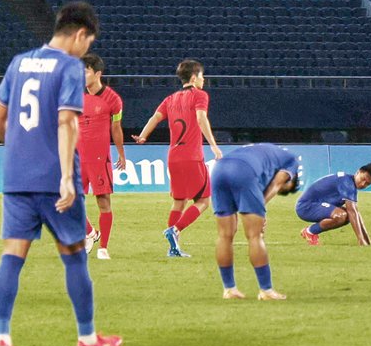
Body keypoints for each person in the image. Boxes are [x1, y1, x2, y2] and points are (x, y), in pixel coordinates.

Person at [0, 1, 122, 346]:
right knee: (75, 255)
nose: (86, 50)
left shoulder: (19, 62)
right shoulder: (69, 67)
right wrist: (65, 176)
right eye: (88, 43)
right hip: (54, 179)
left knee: (12, 256)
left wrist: (21, 150)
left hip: (17, 177)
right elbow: (66, 121)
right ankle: (88, 340)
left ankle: (2, 338)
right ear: (80, 34)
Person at [133, 59, 223, 258]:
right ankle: (175, 230)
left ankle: (173, 248)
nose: (204, 79)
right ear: (193, 78)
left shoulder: (171, 98)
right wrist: (214, 146)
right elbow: (201, 118)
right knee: (204, 201)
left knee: (179, 202)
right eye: (201, 75)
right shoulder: (200, 95)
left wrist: (143, 136)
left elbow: (154, 118)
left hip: (173, 157)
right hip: (192, 156)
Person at [210, 143, 300, 300]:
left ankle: (229, 289)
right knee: (254, 236)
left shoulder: (264, 150)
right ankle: (266, 290)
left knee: (224, 235)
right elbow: (276, 184)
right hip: (243, 171)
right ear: (291, 180)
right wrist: (259, 206)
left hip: (219, 169)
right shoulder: (291, 161)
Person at [79, 53, 127, 261]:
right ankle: (90, 232)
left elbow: (116, 128)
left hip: (99, 159)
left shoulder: (113, 100)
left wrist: (121, 153)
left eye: (86, 71)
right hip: (78, 158)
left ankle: (103, 248)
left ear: (97, 73)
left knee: (103, 201)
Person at [296, 164, 371, 246]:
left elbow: (355, 213)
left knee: (348, 216)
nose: (363, 184)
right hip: (306, 207)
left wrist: (367, 239)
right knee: (340, 216)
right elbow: (352, 212)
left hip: (316, 204)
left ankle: (310, 231)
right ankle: (309, 232)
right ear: (358, 172)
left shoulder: (349, 182)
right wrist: (361, 240)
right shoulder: (347, 183)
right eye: (363, 179)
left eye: (367, 184)